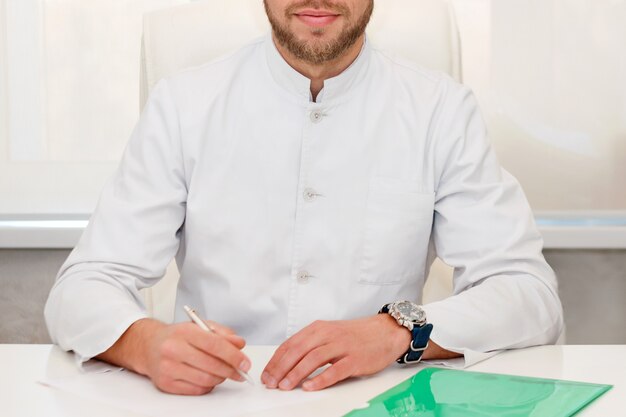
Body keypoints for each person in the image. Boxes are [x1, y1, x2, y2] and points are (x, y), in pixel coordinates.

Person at [45, 0, 564, 396]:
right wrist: (146, 343)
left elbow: (528, 295)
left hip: (375, 397)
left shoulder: (440, 111)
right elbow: (84, 286)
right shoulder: (184, 105)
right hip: (219, 399)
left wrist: (396, 332)